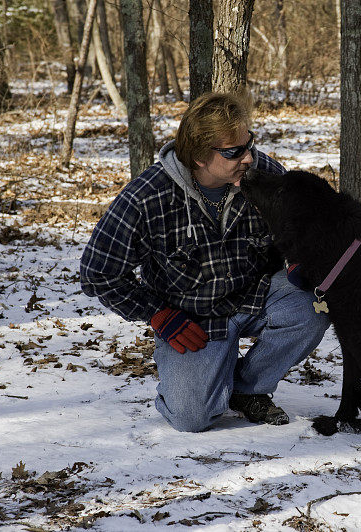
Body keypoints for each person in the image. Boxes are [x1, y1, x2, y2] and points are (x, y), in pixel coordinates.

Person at [80, 92, 330, 432]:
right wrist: (158, 314)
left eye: (249, 144)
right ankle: (212, 371)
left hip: (256, 295)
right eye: (234, 151)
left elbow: (301, 227)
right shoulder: (147, 197)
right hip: (192, 318)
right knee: (192, 418)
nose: (248, 157)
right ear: (199, 156)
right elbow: (98, 273)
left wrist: (302, 259)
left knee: (316, 305)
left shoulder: (265, 174)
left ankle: (248, 388)